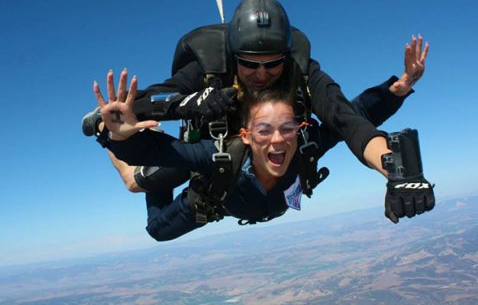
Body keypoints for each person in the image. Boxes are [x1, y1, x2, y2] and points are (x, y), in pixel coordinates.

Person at [84, 0, 429, 196]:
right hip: (214, 148)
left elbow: (346, 119)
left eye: (273, 64)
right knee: (140, 191)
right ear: (234, 57)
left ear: (286, 57)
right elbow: (145, 101)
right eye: (250, 65)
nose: (262, 75)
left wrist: (395, 169)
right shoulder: (209, 68)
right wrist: (194, 102)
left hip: (265, 148)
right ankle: (119, 148)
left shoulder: (302, 72)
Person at [93, 70, 435, 241]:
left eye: (287, 128)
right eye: (264, 131)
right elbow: (164, 152)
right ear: (247, 135)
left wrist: (396, 90)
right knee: (146, 205)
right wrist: (118, 138)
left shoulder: (305, 145)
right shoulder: (218, 155)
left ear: (298, 127)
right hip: (210, 198)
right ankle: (115, 138)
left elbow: (353, 116)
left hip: (241, 196)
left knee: (163, 162)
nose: (277, 141)